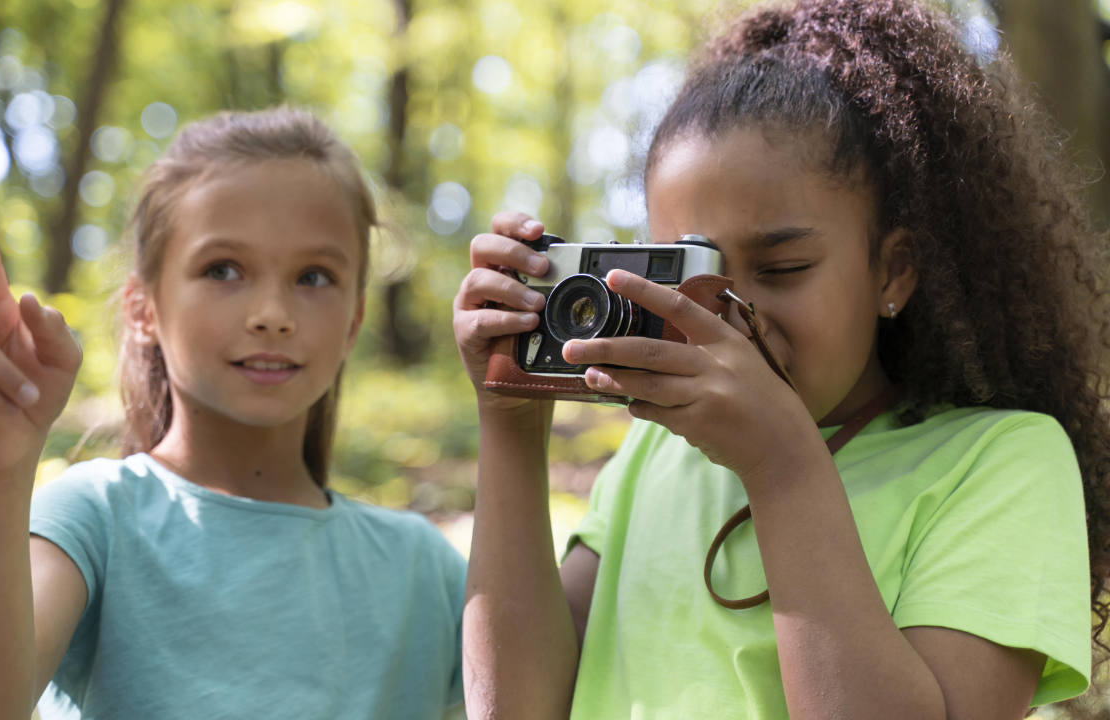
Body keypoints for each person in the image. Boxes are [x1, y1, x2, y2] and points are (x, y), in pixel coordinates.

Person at [453, 0, 1110, 717]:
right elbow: (513, 707)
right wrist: (508, 422)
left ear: (892, 272)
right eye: (688, 272)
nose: (733, 313)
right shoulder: (653, 457)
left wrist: (784, 469)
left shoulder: (1001, 462)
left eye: (783, 268)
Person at [0, 108, 466, 720]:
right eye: (222, 270)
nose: (272, 313)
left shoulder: (425, 567)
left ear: (354, 321)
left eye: (314, 276)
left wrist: (514, 422)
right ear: (142, 307)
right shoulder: (94, 520)